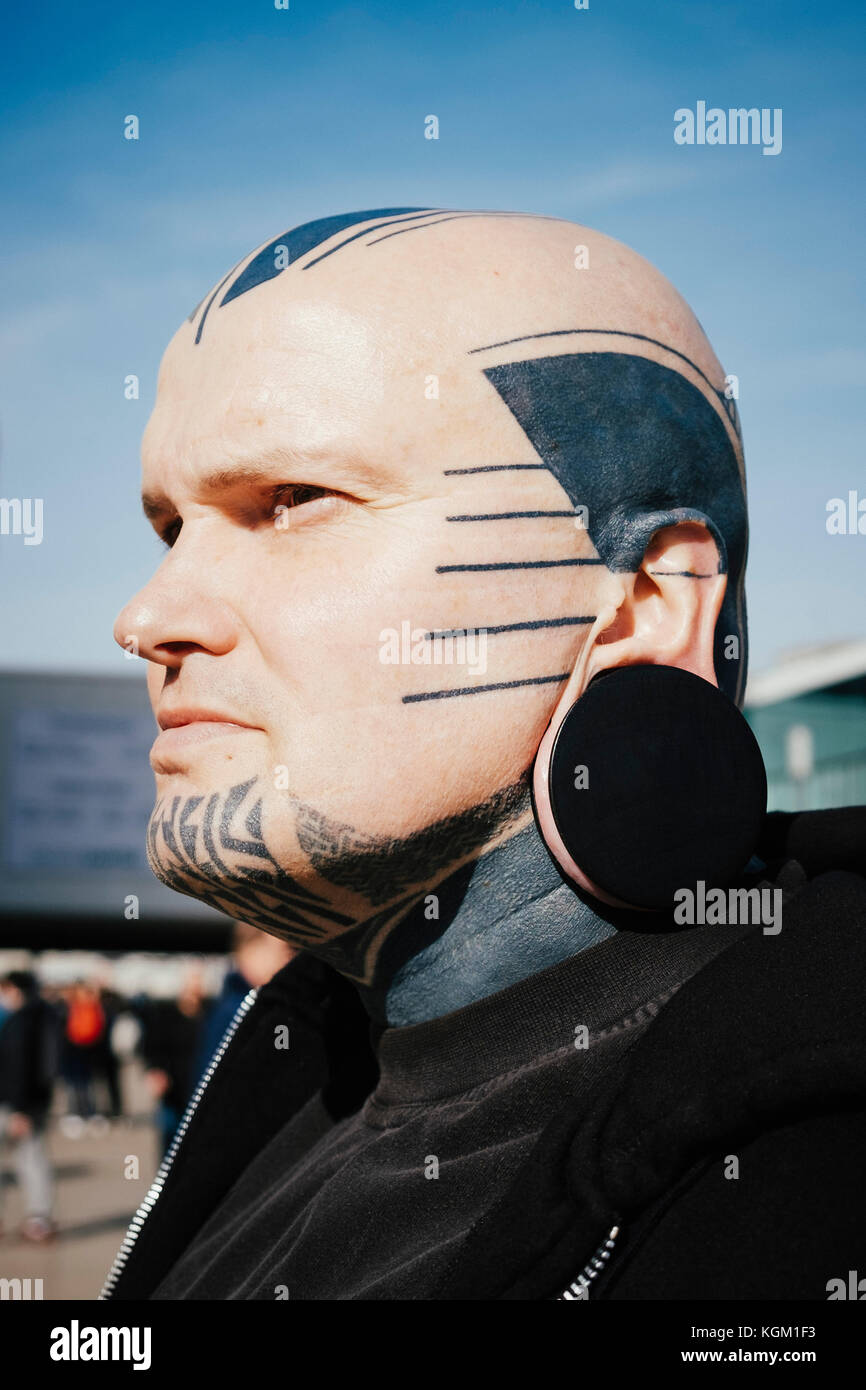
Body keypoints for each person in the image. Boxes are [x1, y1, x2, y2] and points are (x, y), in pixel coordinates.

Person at [102, 208, 866, 1300]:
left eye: (292, 501)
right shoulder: (299, 1067)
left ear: (645, 601)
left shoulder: (808, 1192)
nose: (147, 615)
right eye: (172, 526)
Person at [0, 971, 58, 1242]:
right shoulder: (39, 1016)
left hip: (17, 1105)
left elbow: (22, 1067)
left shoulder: (25, 1020)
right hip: (24, 1104)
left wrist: (22, 1109)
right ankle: (38, 1218)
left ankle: (38, 1220)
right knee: (31, 1158)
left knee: (30, 1158)